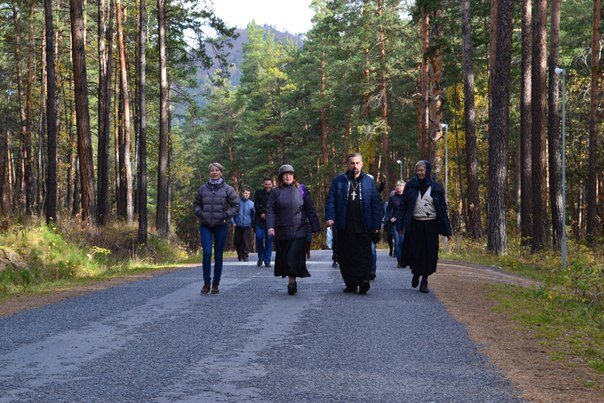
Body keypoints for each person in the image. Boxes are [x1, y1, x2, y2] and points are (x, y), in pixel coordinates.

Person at [325, 153, 383, 295]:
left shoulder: (369, 182)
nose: (355, 166)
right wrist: (330, 217)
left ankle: (364, 281)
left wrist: (376, 225)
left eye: (357, 163)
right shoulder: (339, 181)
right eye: (352, 163)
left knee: (364, 255)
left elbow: (376, 204)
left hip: (364, 224)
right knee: (346, 256)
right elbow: (331, 200)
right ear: (348, 164)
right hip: (344, 225)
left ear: (362, 164)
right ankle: (351, 284)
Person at [396, 160, 452, 293]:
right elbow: (403, 207)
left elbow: (442, 210)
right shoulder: (410, 186)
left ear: (427, 171)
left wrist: (447, 230)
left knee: (429, 253)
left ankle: (424, 281)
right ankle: (416, 274)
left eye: (422, 170)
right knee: (415, 252)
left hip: (431, 225)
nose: (419, 173)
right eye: (418, 170)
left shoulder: (436, 188)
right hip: (415, 224)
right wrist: (400, 225)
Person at [267, 164, 320, 295]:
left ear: (294, 176)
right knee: (286, 258)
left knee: (293, 256)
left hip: (300, 228)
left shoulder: (301, 189)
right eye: (285, 174)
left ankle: (292, 282)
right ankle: (291, 280)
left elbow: (310, 208)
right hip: (282, 229)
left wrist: (315, 226)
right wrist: (270, 227)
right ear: (281, 177)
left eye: (290, 174)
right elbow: (271, 210)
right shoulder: (275, 192)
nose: (288, 176)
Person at [194, 162, 240, 294]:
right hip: (205, 225)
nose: (214, 172)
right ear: (209, 172)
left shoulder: (228, 189)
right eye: (212, 170)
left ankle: (215, 284)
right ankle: (206, 283)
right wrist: (200, 213)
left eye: (216, 170)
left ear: (221, 172)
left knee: (218, 255)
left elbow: (236, 205)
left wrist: (225, 215)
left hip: (221, 225)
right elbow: (196, 204)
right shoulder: (203, 189)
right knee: (207, 253)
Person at [254, 178, 274, 267]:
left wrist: (269, 215)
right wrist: (261, 213)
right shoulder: (258, 192)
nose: (267, 186)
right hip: (260, 219)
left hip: (270, 220)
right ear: (263, 184)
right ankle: (260, 256)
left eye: (269, 184)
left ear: (272, 184)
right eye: (266, 184)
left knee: (269, 239)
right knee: (259, 237)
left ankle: (267, 260)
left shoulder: (274, 193)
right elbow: (256, 204)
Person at [385, 180, 406, 267]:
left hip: (405, 223)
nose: (398, 187)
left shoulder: (407, 197)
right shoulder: (393, 198)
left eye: (400, 185)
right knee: (397, 242)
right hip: (395, 224)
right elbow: (388, 210)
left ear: (404, 187)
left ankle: (405, 259)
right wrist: (391, 217)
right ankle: (399, 261)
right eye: (397, 185)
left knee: (403, 242)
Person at [232, 187, 255, 262]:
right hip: (238, 225)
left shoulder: (251, 204)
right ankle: (240, 254)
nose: (247, 195)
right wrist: (233, 222)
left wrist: (253, 224)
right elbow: (232, 213)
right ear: (242, 193)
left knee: (245, 241)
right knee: (237, 241)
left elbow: (253, 215)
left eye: (248, 194)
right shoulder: (237, 202)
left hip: (247, 225)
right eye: (245, 193)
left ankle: (245, 256)